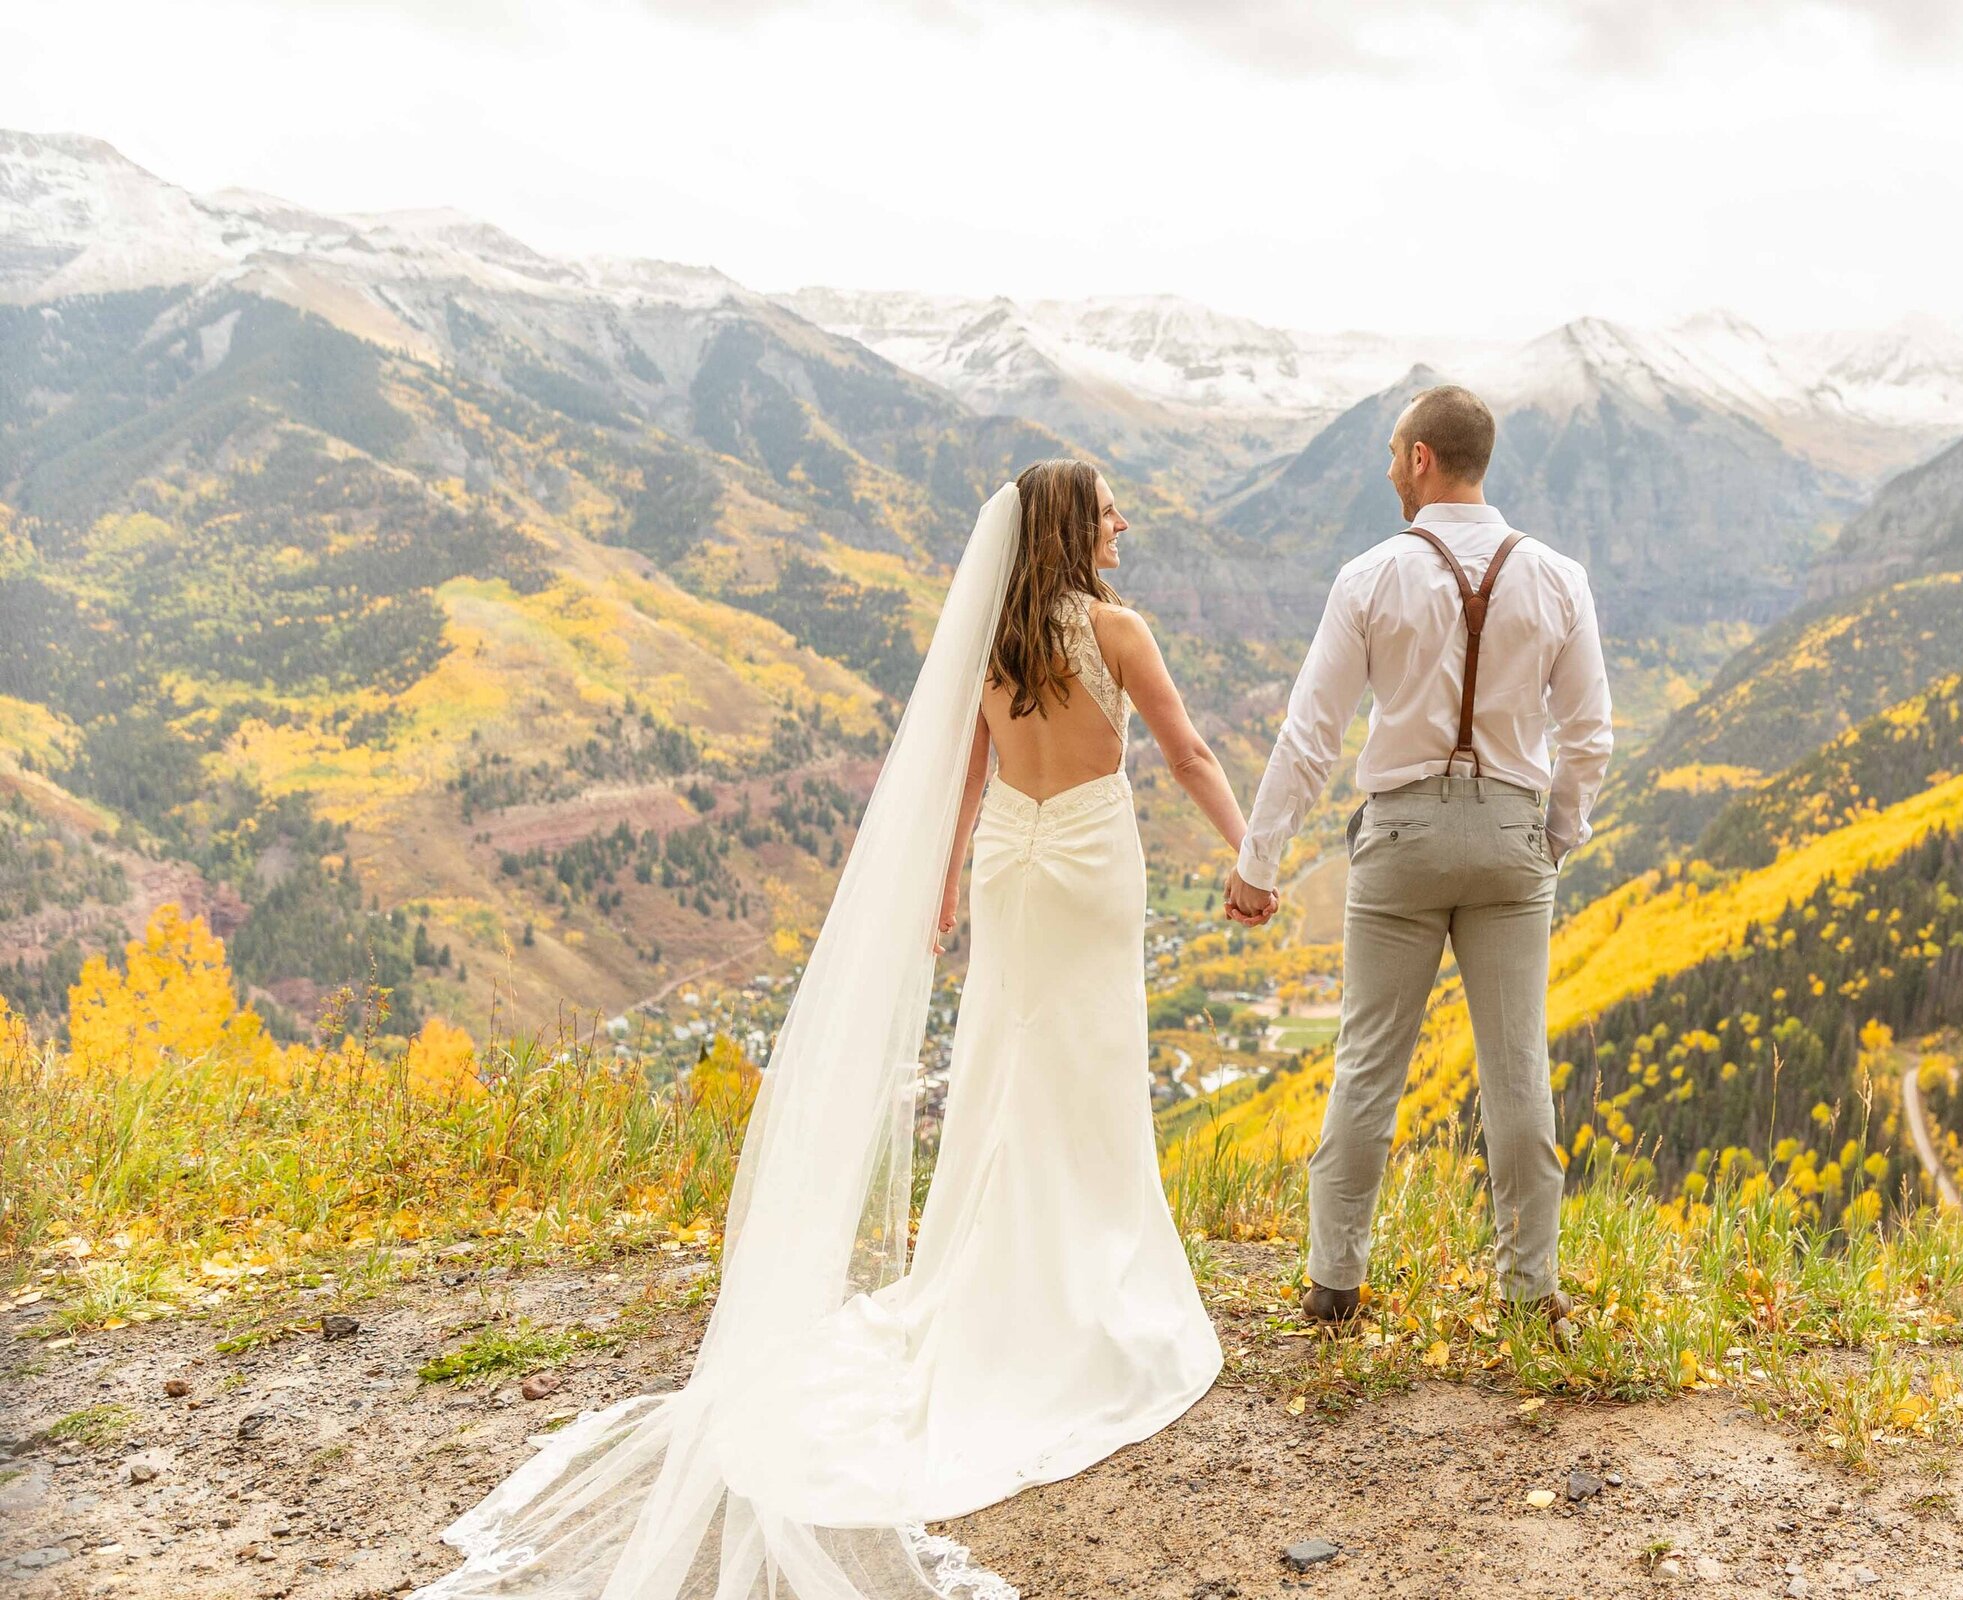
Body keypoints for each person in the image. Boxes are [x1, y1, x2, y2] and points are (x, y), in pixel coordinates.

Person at [414, 461, 1264, 1600]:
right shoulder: (1116, 631)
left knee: (1004, 1067)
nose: (1125, 520)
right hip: (1093, 865)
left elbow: (966, 775)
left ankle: (988, 1265)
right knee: (1088, 1066)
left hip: (1017, 863)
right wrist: (1249, 854)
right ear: (1073, 524)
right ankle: (1087, 1280)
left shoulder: (999, 641)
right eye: (1110, 506)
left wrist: (951, 879)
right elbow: (1190, 751)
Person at [1226, 384, 1614, 1328]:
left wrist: (1259, 862)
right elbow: (1590, 737)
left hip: (1400, 837)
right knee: (1516, 1070)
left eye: (1395, 454)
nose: (1390, 469)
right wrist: (1550, 838)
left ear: (1422, 460)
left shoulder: (1369, 577)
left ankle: (1333, 1282)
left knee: (1368, 1063)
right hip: (1513, 838)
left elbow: (1308, 736)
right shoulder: (1558, 577)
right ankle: (1530, 1288)